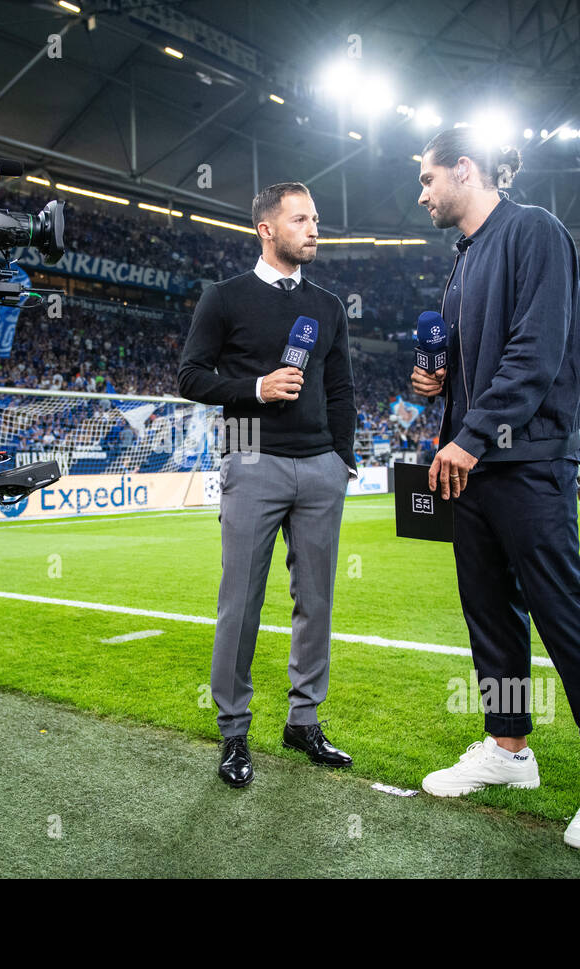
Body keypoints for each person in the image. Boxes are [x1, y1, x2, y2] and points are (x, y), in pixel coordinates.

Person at [409, 129, 580, 851]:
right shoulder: (462, 263)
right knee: (489, 614)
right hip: (472, 467)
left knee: (561, 609)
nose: (421, 194)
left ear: (465, 169)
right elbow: (465, 362)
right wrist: (434, 385)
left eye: (427, 179)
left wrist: (472, 434)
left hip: (530, 459)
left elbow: (536, 352)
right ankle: (509, 749)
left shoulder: (534, 231)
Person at [178, 181, 357, 789]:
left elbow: (341, 390)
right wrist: (254, 390)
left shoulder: (329, 306)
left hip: (320, 466)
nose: (314, 229)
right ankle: (234, 732)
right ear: (266, 229)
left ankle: (303, 720)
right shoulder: (223, 298)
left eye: (317, 219)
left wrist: (343, 457)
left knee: (316, 600)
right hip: (249, 453)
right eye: (302, 219)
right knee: (241, 601)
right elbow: (190, 376)